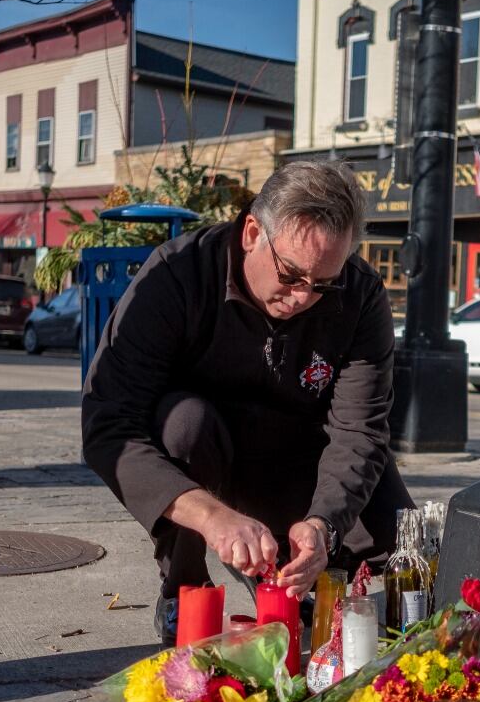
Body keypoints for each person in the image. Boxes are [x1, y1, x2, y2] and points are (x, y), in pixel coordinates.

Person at [82, 161, 413, 645]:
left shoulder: (359, 294)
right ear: (253, 232)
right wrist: (210, 517)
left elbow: (360, 430)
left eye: (322, 283)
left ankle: (310, 586)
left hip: (304, 453)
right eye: (291, 274)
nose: (302, 297)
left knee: (400, 534)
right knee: (185, 424)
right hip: (206, 455)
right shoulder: (178, 276)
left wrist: (323, 524)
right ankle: (185, 588)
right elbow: (108, 423)